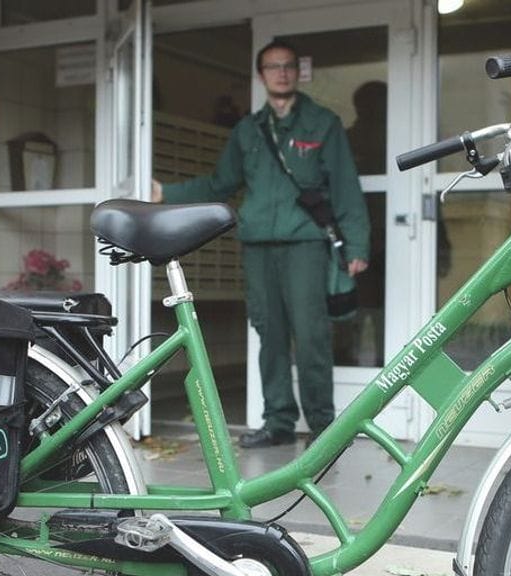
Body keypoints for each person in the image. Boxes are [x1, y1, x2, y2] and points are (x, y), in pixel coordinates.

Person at [152, 40, 370, 448]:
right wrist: (167, 194)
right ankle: (278, 422)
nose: (281, 73)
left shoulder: (322, 123)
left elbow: (345, 189)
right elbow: (220, 184)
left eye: (288, 66)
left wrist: (356, 246)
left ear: (297, 72)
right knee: (269, 335)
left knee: (311, 336)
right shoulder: (248, 130)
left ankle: (323, 425)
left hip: (304, 245)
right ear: (261, 75)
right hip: (257, 247)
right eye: (273, 67)